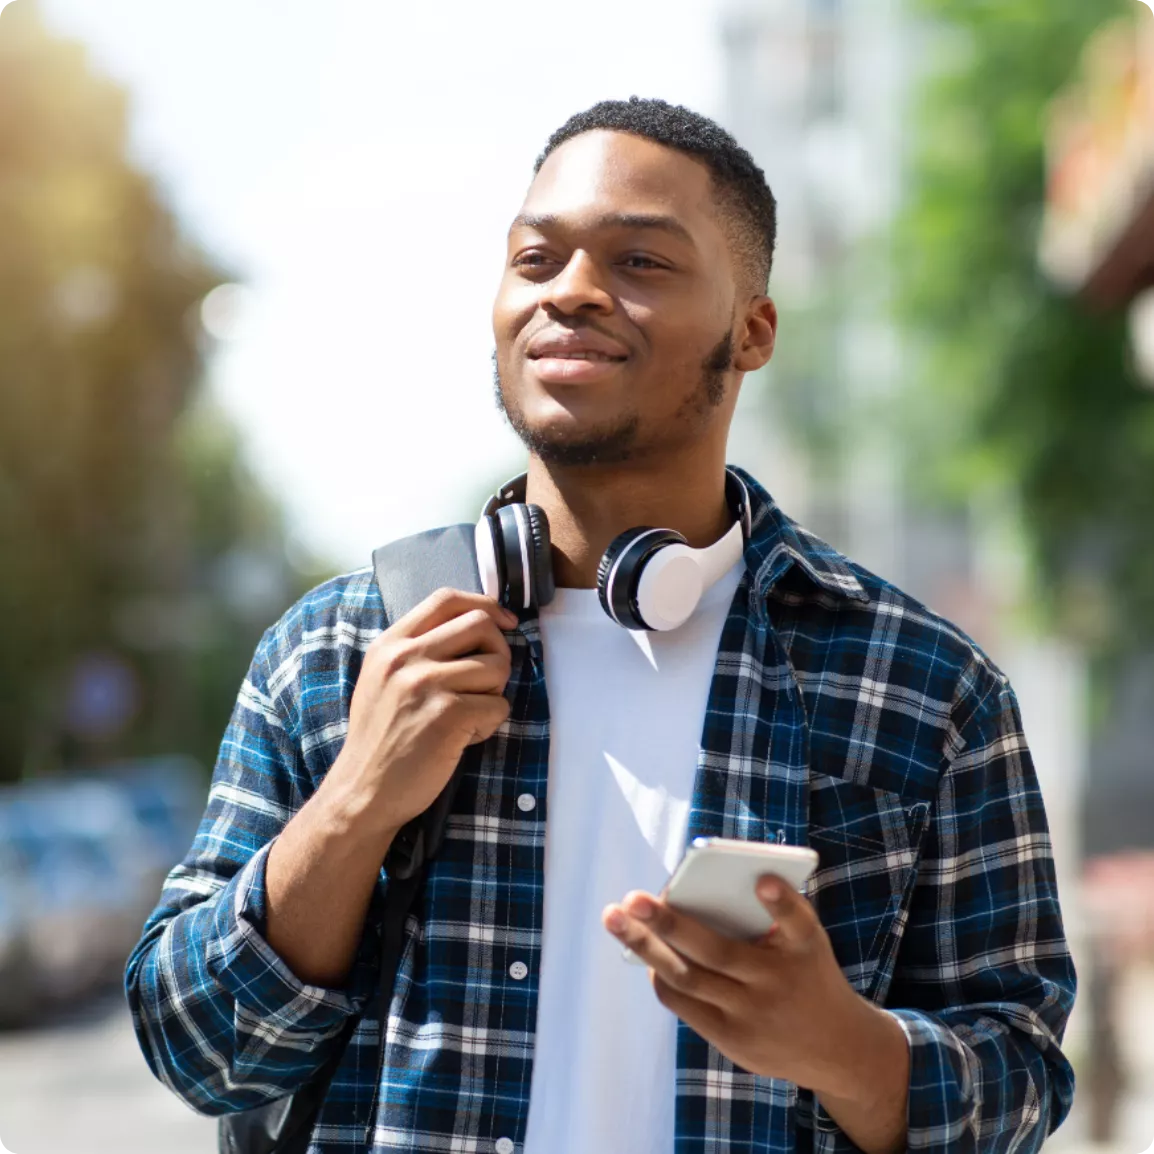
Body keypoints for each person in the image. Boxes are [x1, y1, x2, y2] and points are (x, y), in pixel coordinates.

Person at [126, 97, 1076, 1154]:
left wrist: (843, 1045)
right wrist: (355, 800)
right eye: (535, 259)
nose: (570, 292)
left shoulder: (923, 686)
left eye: (639, 261)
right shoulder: (335, 650)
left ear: (750, 331)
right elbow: (194, 1050)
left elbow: (1023, 1076)